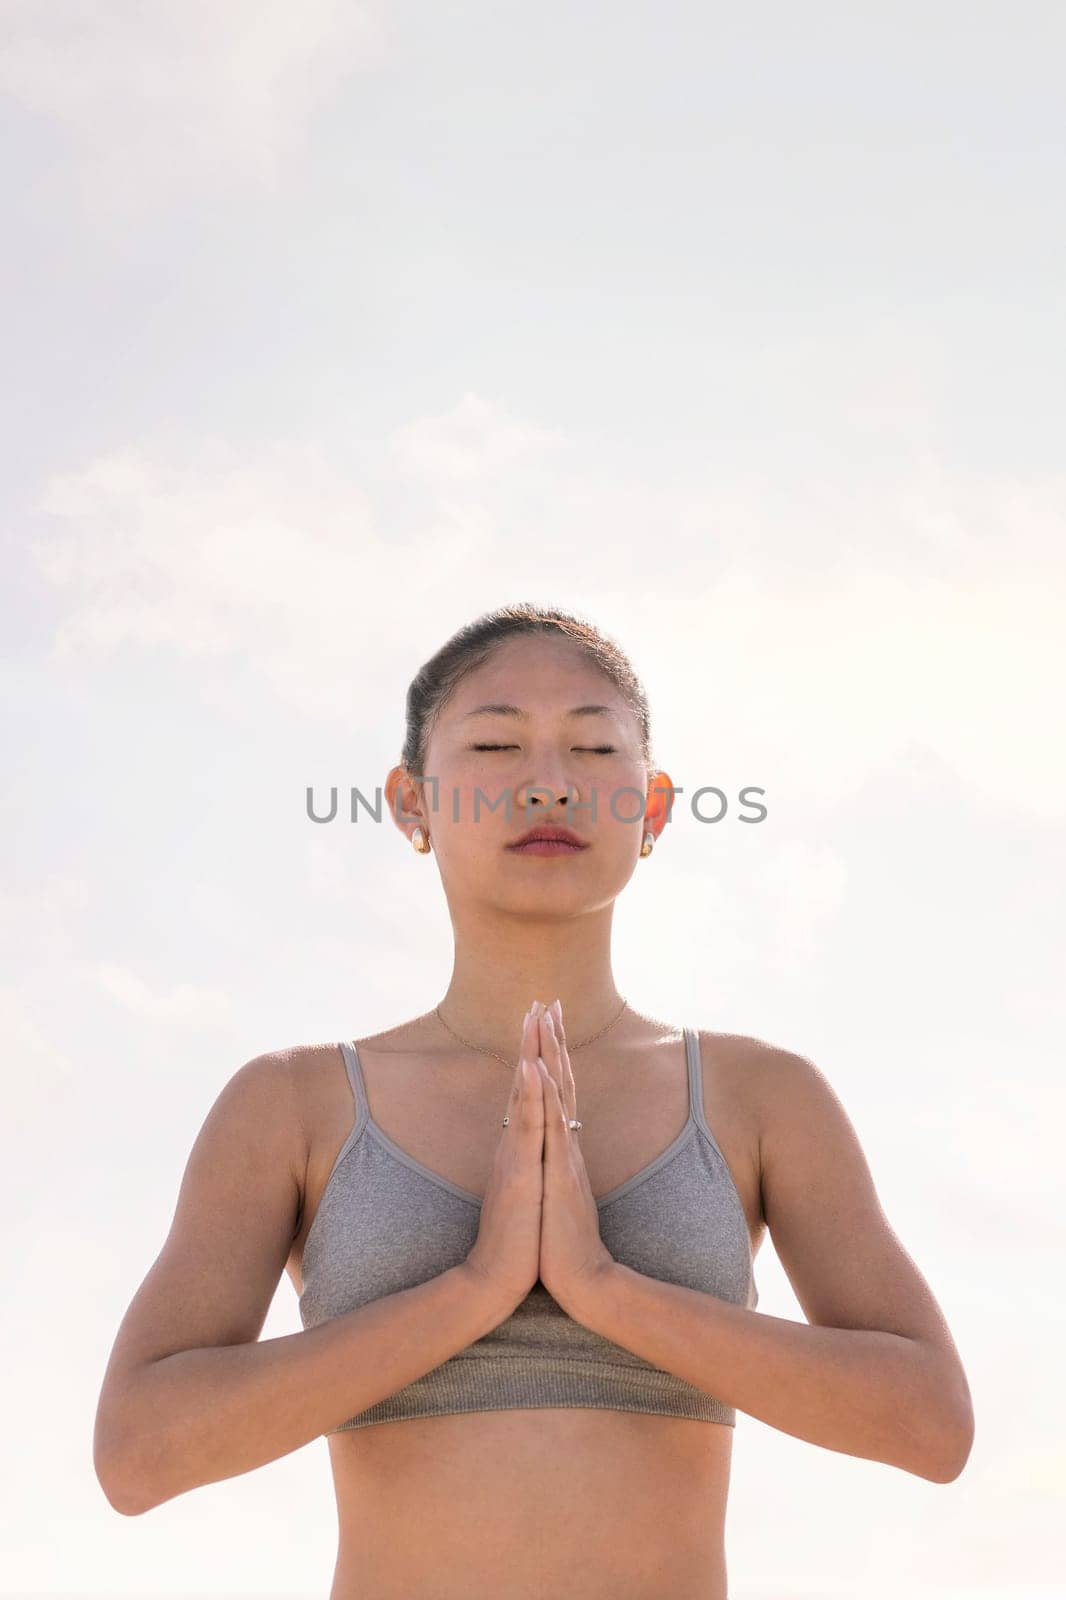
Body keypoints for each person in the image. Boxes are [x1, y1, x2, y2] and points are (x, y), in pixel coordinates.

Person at [93, 602, 974, 1599]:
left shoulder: (760, 1095)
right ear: (411, 802)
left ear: (651, 809)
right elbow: (139, 1454)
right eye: (496, 741)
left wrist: (606, 1287)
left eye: (595, 746)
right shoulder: (292, 1104)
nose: (549, 780)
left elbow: (928, 1425)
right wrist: (472, 1287)